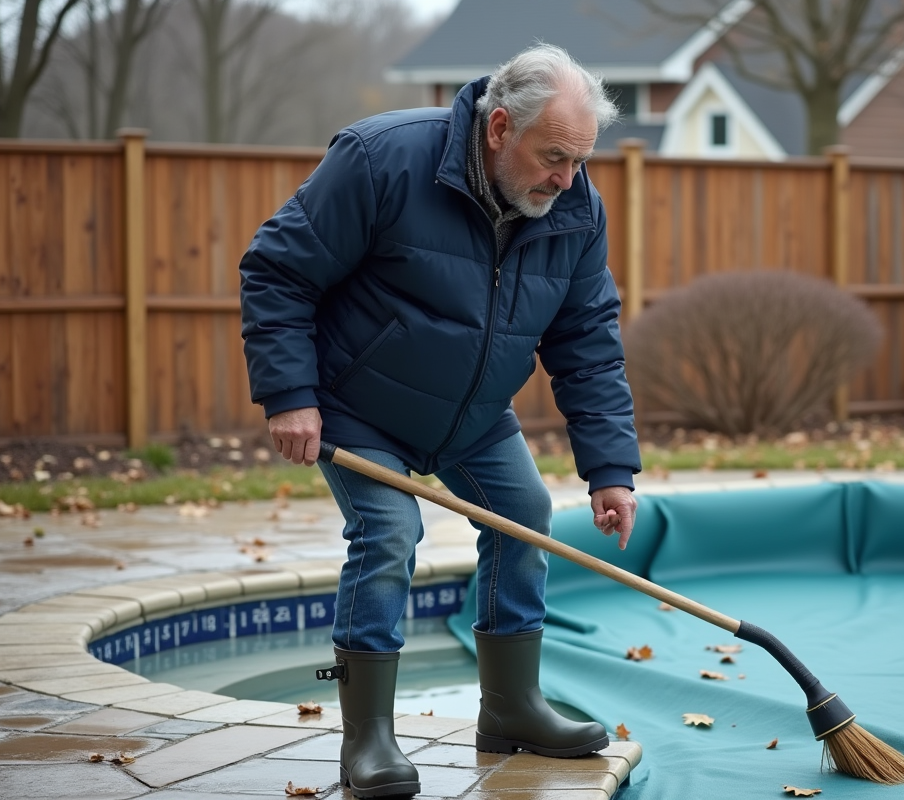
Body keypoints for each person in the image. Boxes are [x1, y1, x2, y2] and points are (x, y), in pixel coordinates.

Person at [239, 43, 642, 799]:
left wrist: (610, 470)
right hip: (358, 407)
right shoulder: (381, 159)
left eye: (580, 160)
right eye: (554, 156)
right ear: (498, 128)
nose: (566, 178)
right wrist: (289, 394)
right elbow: (278, 270)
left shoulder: (575, 207)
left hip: (473, 415)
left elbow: (588, 342)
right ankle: (368, 741)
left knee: (523, 512)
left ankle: (512, 708)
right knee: (390, 533)